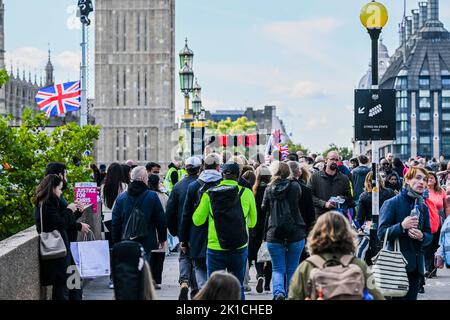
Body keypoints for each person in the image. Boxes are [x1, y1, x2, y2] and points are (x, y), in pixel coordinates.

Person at [193, 162, 257, 300]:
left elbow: (197, 220)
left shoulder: (209, 193)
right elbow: (253, 222)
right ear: (238, 175)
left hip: (215, 246)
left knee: (214, 288)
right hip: (239, 245)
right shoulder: (246, 193)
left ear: (222, 174)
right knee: (238, 285)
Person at [288, 211, 384, 300]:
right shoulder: (358, 265)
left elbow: (293, 297)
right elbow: (377, 296)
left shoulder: (306, 267)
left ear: (316, 235)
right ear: (348, 235)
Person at [378, 166, 433, 300]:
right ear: (407, 180)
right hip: (396, 267)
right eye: (418, 178)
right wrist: (401, 226)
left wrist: (422, 236)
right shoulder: (392, 203)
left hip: (415, 268)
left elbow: (429, 235)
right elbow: (381, 233)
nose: (422, 182)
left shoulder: (423, 206)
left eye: (425, 179)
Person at [34, 174, 87, 300]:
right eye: (59, 188)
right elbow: (60, 223)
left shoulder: (52, 201)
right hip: (56, 250)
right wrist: (69, 210)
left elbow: (65, 221)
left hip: (62, 248)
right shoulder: (46, 203)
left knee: (70, 281)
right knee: (62, 285)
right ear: (52, 187)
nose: (60, 191)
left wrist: (77, 211)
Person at [262, 161, 307, 300]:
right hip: (296, 231)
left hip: (274, 232)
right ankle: (291, 294)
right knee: (292, 268)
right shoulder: (295, 187)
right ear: (289, 172)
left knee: (277, 268)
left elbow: (264, 208)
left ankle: (278, 292)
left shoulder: (269, 188)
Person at [180, 153, 223, 292]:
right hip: (218, 234)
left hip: (196, 233)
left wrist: (184, 239)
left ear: (204, 167)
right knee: (218, 269)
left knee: (199, 266)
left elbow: (186, 215)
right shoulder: (222, 184)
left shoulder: (193, 186)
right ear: (218, 167)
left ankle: (204, 292)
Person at [112, 166, 167, 262]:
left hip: (126, 242)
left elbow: (116, 223)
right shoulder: (152, 196)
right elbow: (160, 220)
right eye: (146, 178)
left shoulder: (121, 198)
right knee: (145, 271)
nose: (147, 180)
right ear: (142, 179)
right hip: (147, 242)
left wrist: (116, 242)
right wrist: (162, 239)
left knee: (129, 271)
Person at [166, 156, 202, 300]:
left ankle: (184, 281)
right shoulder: (202, 185)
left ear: (186, 168)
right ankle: (195, 289)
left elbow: (169, 211)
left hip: (183, 228)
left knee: (184, 256)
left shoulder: (178, 186)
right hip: (199, 229)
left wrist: (175, 231)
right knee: (196, 259)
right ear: (199, 169)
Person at [100, 163, 128, 289]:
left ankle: (112, 278)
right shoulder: (125, 186)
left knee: (110, 249)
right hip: (120, 220)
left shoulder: (103, 187)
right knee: (121, 248)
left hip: (106, 220)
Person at [308, 151, 355, 218]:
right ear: (326, 160)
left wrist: (341, 198)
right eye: (332, 159)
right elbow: (309, 196)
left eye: (336, 160)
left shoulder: (344, 178)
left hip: (337, 217)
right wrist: (324, 204)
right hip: (320, 217)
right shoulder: (315, 177)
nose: (334, 162)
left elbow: (349, 197)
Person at [248, 165, 272, 293]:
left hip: (255, 227)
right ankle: (267, 284)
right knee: (268, 256)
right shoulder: (271, 190)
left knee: (255, 254)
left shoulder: (254, 191)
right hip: (268, 226)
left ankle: (260, 274)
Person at [424, 171, 450, 278]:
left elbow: (446, 206)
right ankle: (428, 268)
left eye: (432, 178)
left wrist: (448, 219)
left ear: (436, 180)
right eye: (428, 178)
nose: (430, 179)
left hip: (439, 220)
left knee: (437, 244)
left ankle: (433, 269)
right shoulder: (423, 191)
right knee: (427, 245)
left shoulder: (441, 191)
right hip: (427, 219)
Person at [147, 174, 169, 290]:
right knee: (159, 256)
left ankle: (148, 279)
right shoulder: (164, 196)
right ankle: (157, 280)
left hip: (147, 230)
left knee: (149, 256)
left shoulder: (145, 196)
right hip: (160, 229)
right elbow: (168, 214)